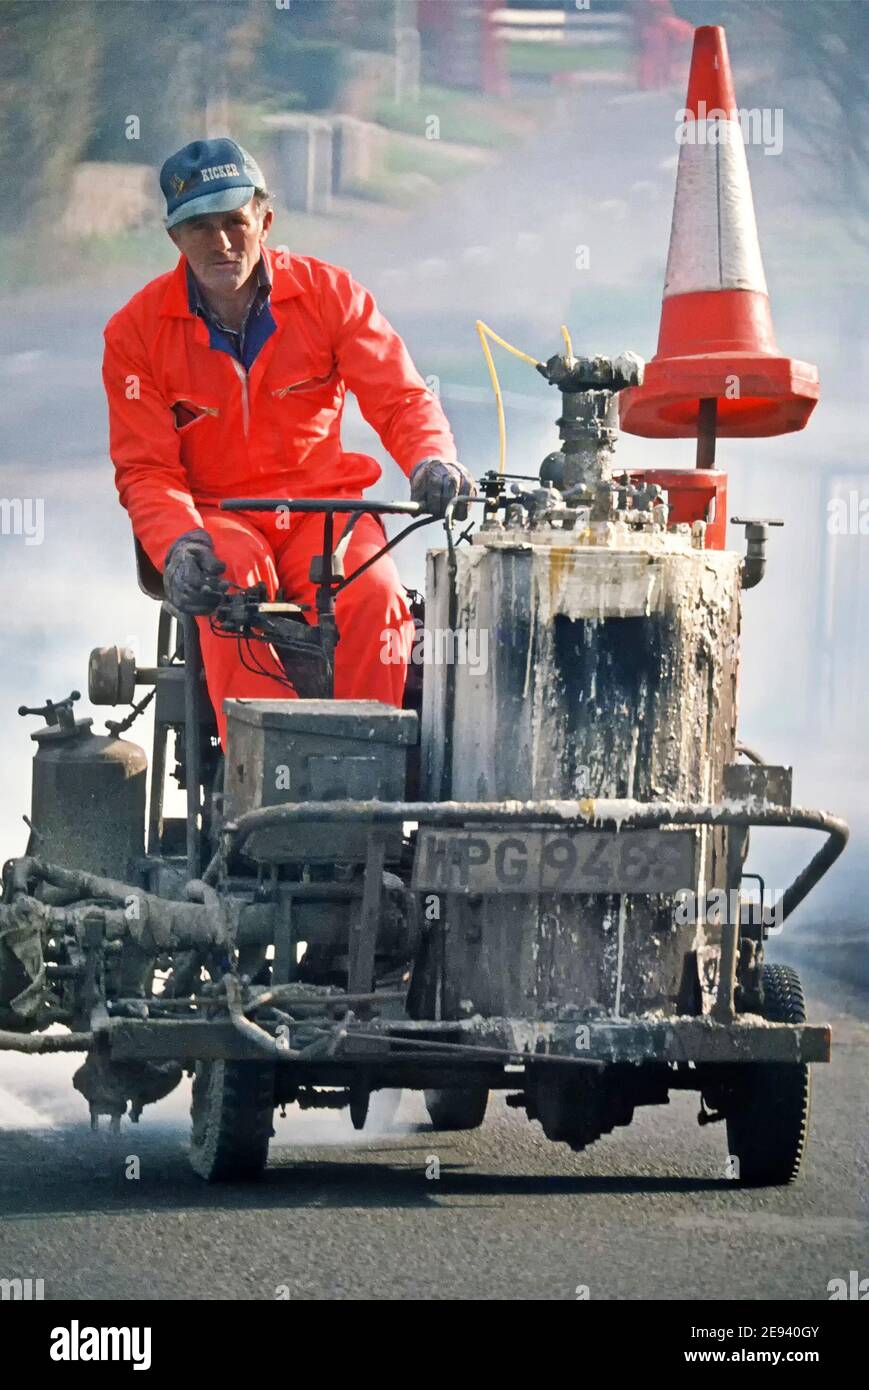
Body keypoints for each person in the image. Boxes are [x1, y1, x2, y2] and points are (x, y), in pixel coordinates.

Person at [102, 137, 474, 744]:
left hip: (325, 515)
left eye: (234, 222)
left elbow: (401, 398)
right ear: (175, 238)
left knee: (374, 596)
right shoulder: (134, 333)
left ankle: (361, 771)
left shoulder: (331, 295)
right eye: (199, 227)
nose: (221, 242)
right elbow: (147, 472)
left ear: (265, 221)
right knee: (227, 595)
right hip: (220, 519)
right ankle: (267, 777)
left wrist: (433, 459)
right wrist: (179, 546)